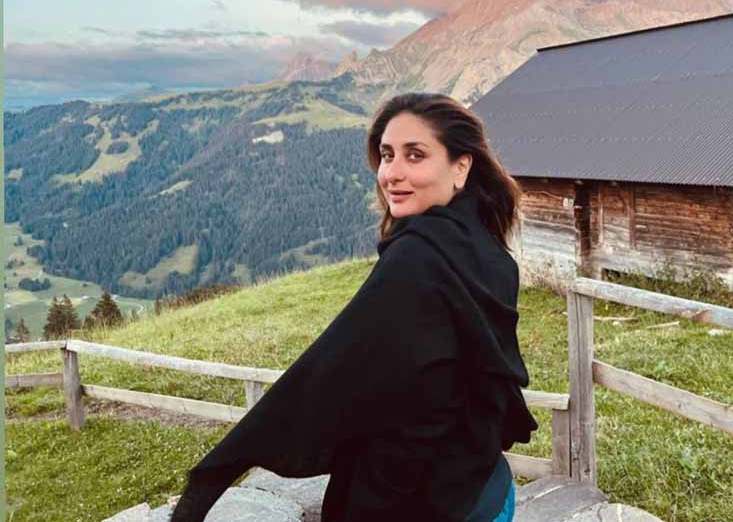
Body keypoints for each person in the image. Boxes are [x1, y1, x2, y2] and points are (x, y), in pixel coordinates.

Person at [170, 92, 538, 521]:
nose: (392, 174)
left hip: (425, 504)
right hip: (487, 491)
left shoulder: (417, 259)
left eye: (414, 155)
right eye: (386, 155)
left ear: (461, 166)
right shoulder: (489, 252)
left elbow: (320, 380)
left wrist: (210, 479)